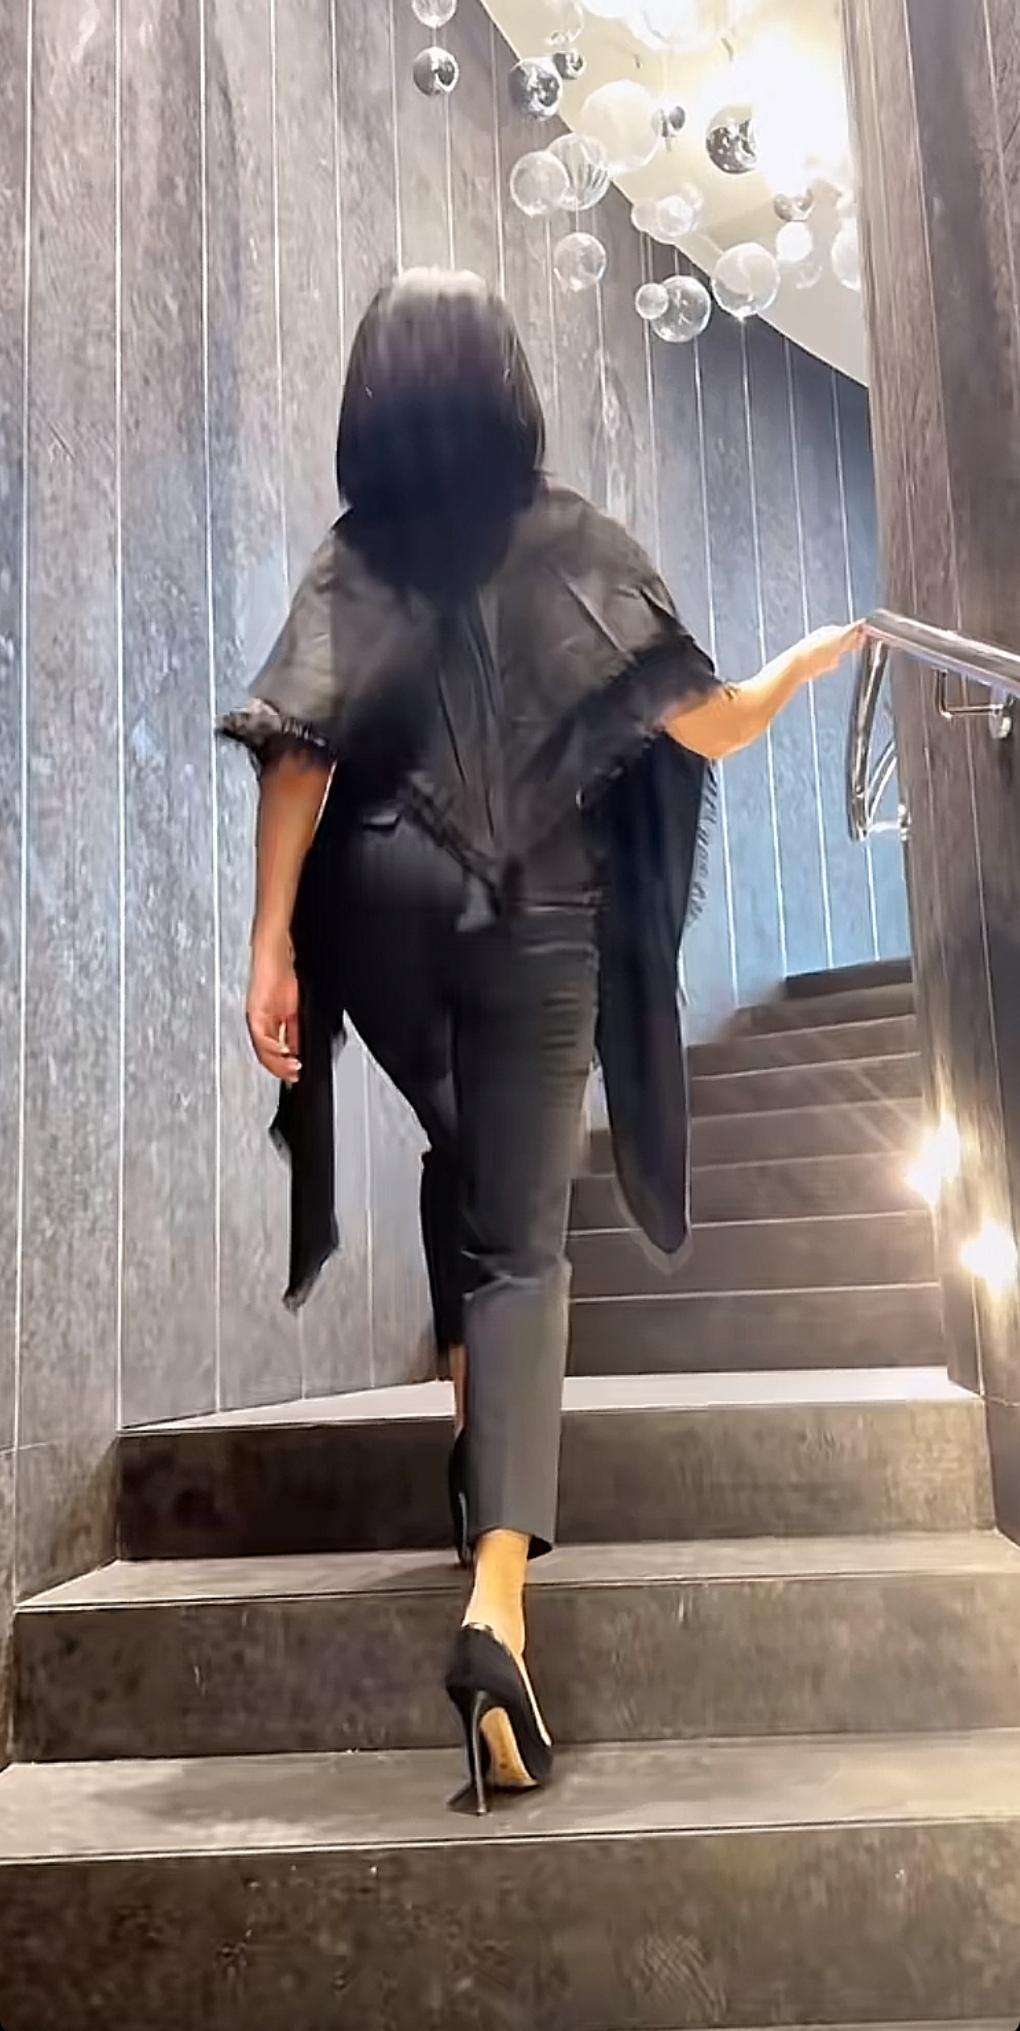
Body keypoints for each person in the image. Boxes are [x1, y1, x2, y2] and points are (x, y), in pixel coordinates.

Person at [220, 268, 863, 1813]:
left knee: (462, 1159)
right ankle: (497, 1608)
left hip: (376, 900)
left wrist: (269, 945)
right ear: (508, 381)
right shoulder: (577, 541)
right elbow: (707, 719)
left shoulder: (353, 555)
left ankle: (474, 1451)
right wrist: (800, 670)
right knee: (521, 1242)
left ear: (372, 392)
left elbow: (298, 757)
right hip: (539, 912)